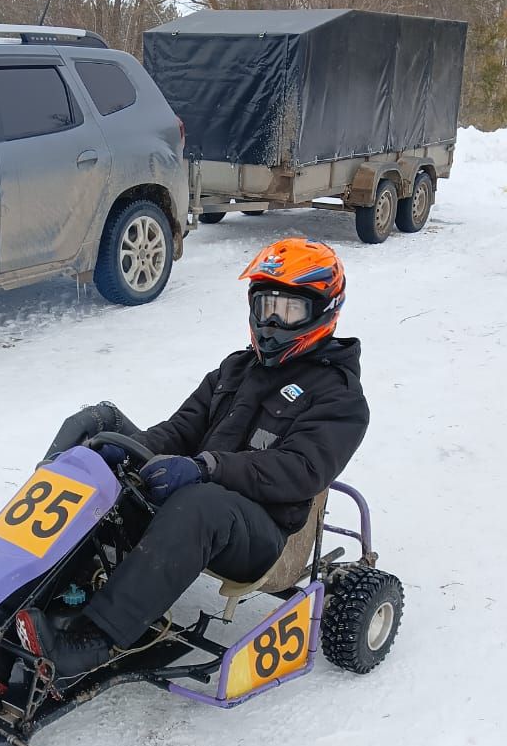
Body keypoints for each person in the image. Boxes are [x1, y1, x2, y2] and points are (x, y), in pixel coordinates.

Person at [21, 236, 370, 677]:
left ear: (322, 312)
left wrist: (207, 467)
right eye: (266, 307)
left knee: (199, 503)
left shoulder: (341, 400)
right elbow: (182, 429)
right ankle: (18, 593)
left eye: (289, 310)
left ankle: (94, 639)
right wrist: (126, 448)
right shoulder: (235, 369)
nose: (273, 322)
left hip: (262, 534)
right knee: (97, 425)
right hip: (199, 495)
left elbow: (299, 471)